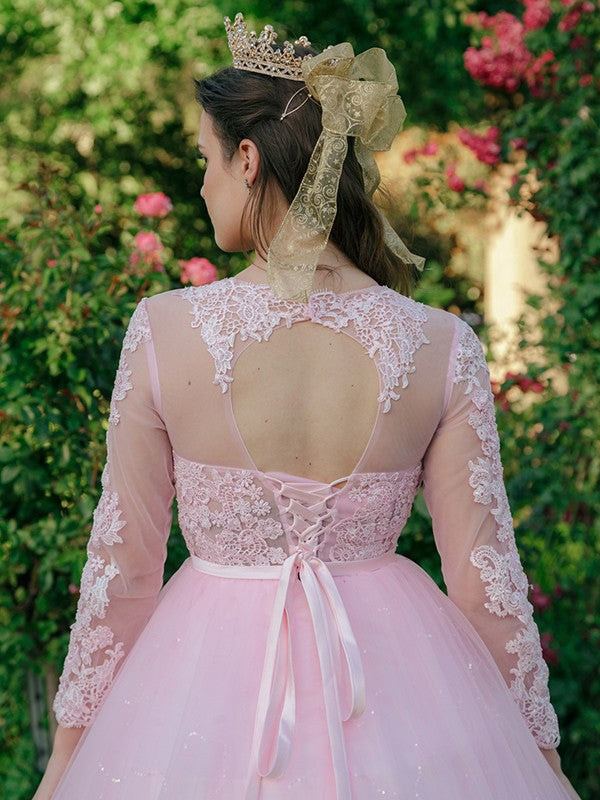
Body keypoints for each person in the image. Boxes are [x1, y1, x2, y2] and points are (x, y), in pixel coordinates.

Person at [34, 12, 580, 800]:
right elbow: (484, 580)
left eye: (206, 161)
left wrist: (69, 755)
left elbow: (122, 571)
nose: (201, 185)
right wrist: (538, 757)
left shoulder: (162, 331)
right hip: (401, 689)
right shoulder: (441, 344)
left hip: (198, 697)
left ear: (247, 159)